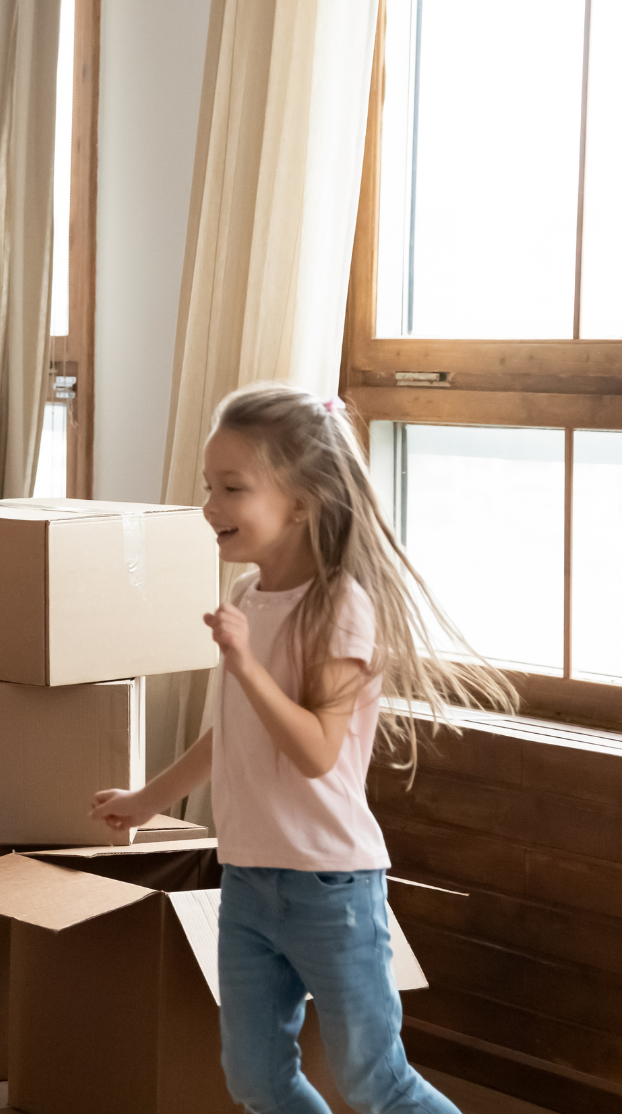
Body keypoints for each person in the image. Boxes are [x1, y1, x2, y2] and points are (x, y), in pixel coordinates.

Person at [89, 383, 517, 1114]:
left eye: (233, 488)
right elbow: (235, 736)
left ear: (301, 502)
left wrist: (247, 665)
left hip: (332, 890)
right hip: (249, 882)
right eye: (207, 487)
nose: (210, 506)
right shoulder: (253, 595)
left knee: (373, 1084)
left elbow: (318, 749)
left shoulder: (340, 607)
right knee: (256, 1081)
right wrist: (144, 802)